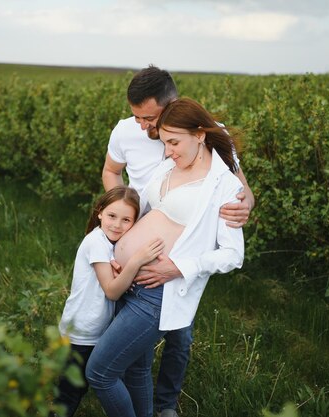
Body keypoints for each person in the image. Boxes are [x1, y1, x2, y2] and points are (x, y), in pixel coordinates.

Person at [101, 66, 254, 416]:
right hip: (134, 255)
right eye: (137, 117)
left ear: (172, 105)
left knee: (179, 335)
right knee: (132, 354)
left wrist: (243, 207)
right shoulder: (127, 131)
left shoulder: (209, 136)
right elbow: (111, 171)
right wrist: (121, 219)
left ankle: (165, 404)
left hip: (174, 263)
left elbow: (239, 190)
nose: (144, 126)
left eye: (150, 118)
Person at [54, 185, 165, 417]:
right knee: (70, 391)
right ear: (100, 212)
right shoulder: (96, 242)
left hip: (96, 330)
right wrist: (137, 261)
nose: (117, 224)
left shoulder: (111, 243)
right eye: (112, 216)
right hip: (81, 333)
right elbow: (112, 292)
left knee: (88, 381)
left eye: (126, 220)